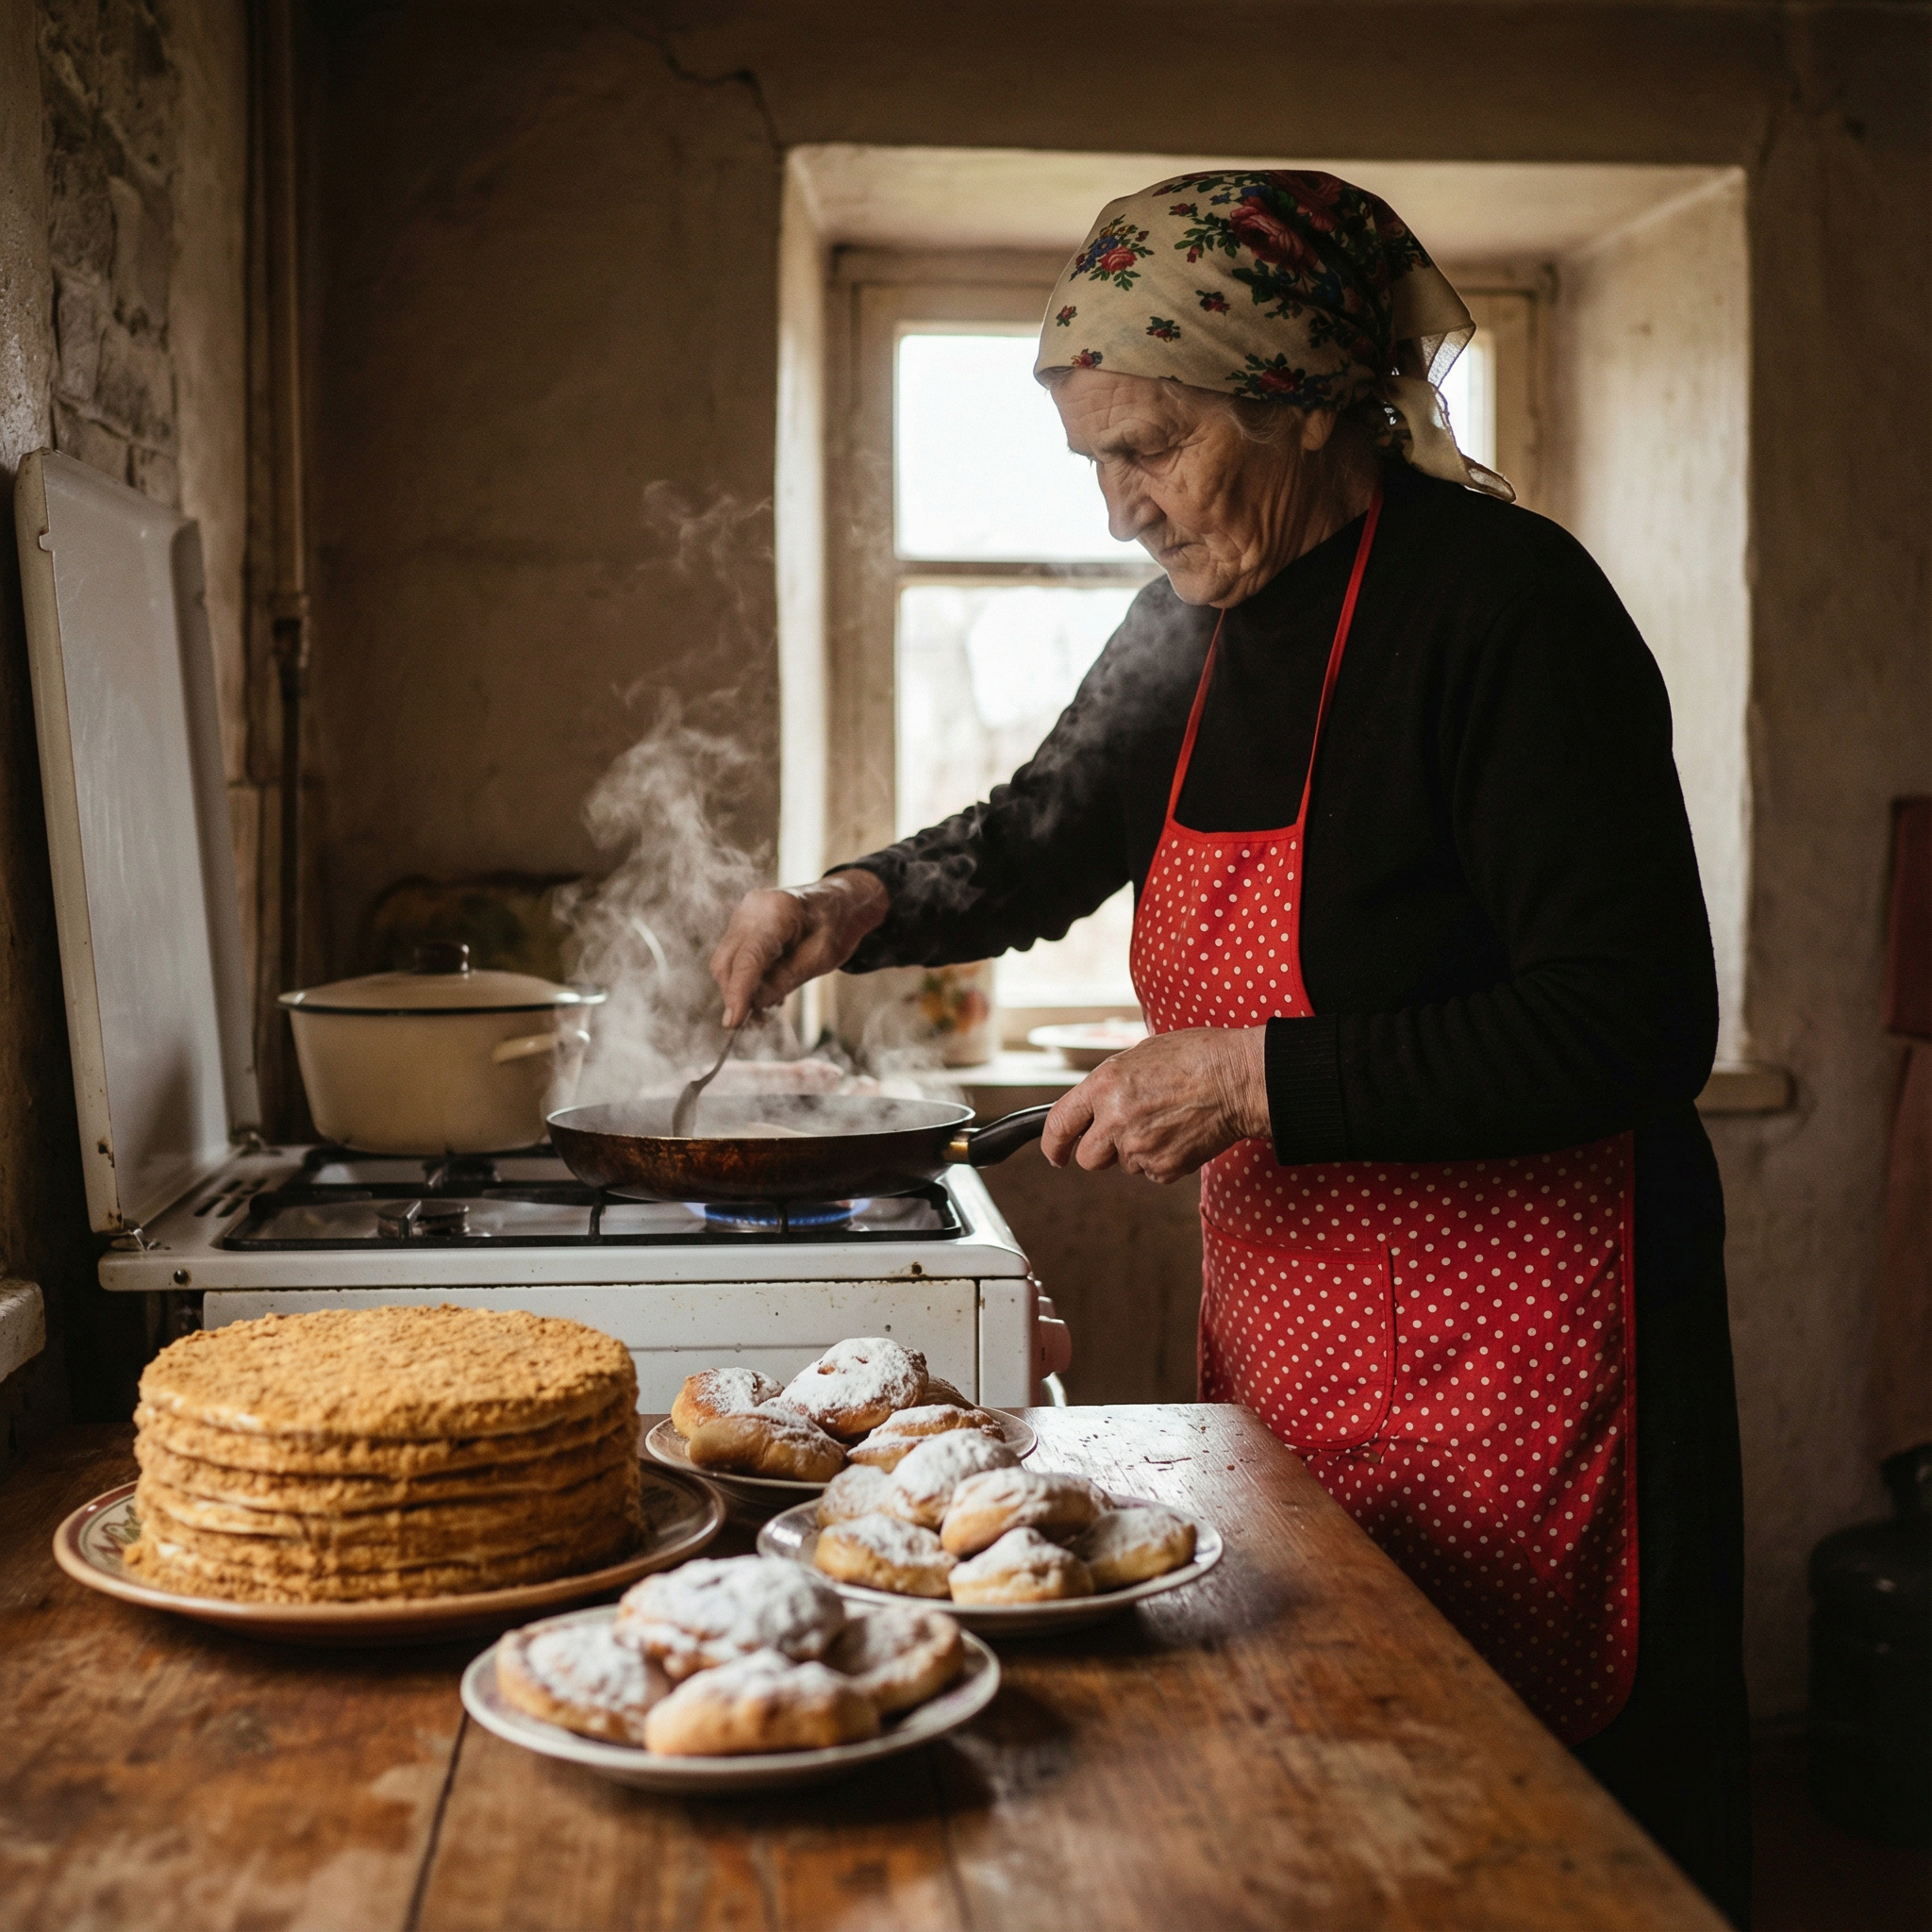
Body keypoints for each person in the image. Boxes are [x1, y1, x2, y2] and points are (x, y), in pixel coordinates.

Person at [711, 171, 1751, 1924]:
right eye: (1094, 464)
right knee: (1318, 1803)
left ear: (1311, 400)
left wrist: (1257, 1076)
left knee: (1535, 1859)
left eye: (1157, 449)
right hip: (1299, 1365)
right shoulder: (1194, 621)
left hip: (1535, 1368)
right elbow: (1047, 827)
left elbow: (1634, 1021)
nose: (1122, 509)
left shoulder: (1510, 610)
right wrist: (859, 901)